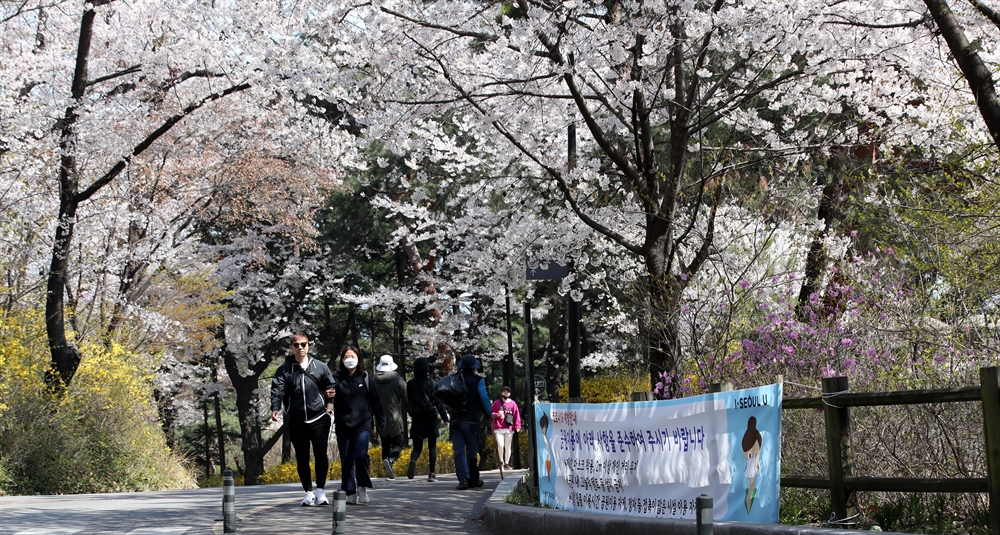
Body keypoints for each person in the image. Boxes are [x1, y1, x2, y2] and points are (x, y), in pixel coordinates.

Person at [269, 333, 337, 506]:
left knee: (320, 453)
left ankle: (321, 491)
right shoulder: (285, 370)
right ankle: (308, 492)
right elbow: (277, 390)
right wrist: (275, 408)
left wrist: (329, 410)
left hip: (319, 417)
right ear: (291, 348)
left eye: (303, 344)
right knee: (302, 456)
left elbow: (331, 388)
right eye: (296, 345)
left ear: (308, 346)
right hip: (296, 419)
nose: (300, 348)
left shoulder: (320, 367)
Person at [332, 346, 386, 505]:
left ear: (358, 359)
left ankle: (362, 485)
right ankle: (349, 492)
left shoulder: (365, 377)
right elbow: (328, 397)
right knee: (347, 459)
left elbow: (375, 401)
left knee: (361, 454)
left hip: (362, 424)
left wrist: (381, 419)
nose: (349, 359)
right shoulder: (336, 378)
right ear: (342, 360)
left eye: (352, 356)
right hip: (343, 425)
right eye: (346, 356)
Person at [450, 354, 492, 490]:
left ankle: (463, 479)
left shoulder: (454, 379)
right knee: (472, 451)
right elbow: (484, 398)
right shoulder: (478, 380)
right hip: (472, 420)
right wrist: (488, 414)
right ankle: (474, 478)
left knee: (458, 451)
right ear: (475, 367)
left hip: (456, 420)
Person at [405, 356, 449, 481]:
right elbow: (438, 401)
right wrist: (445, 417)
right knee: (432, 446)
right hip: (430, 416)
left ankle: (413, 459)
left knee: (417, 447)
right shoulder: (430, 382)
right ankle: (432, 473)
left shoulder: (410, 384)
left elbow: (409, 400)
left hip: (418, 416)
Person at [372, 354, 409, 480]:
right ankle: (391, 459)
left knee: (385, 445)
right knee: (399, 443)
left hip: (380, 419)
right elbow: (406, 398)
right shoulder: (398, 380)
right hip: (395, 418)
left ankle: (388, 471)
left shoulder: (374, 381)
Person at [491, 385, 521, 471]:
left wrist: (517, 426)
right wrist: (497, 415)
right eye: (504, 391)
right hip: (498, 427)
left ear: (510, 393)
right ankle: (501, 462)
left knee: (508, 446)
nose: (506, 393)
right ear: (501, 393)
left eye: (507, 392)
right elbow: (491, 413)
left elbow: (516, 415)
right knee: (500, 445)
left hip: (509, 427)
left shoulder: (513, 404)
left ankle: (506, 463)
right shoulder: (496, 403)